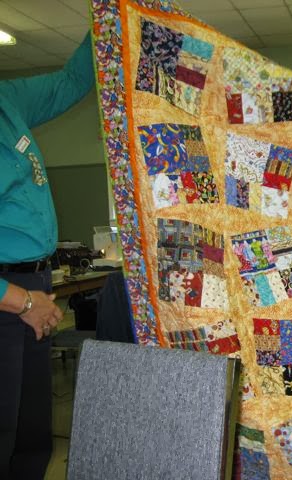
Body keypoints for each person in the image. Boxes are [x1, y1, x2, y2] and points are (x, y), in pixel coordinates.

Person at [0, 33, 94, 479]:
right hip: (9, 294)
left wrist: (107, 17)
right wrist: (21, 301)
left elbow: (73, 80)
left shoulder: (8, 100)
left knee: (31, 429)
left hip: (32, 284)